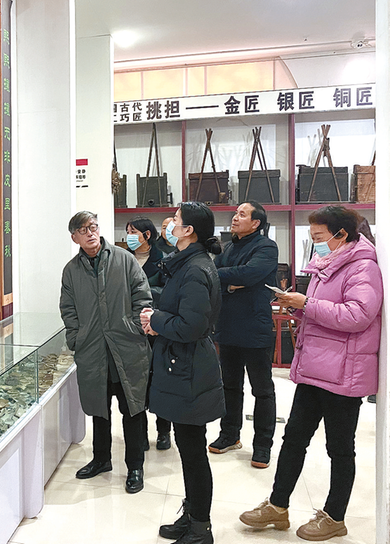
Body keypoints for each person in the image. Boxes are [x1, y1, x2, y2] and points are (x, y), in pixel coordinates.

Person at [240, 206, 382, 542]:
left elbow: (358, 315)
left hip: (344, 374)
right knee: (293, 440)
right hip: (314, 367)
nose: (315, 242)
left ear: (341, 234)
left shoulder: (363, 266)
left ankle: (335, 516)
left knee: (340, 449)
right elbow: (322, 313)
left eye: (319, 236)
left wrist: (306, 304)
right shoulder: (325, 264)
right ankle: (277, 506)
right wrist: (299, 307)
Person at [140, 202, 224, 544]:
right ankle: (192, 515)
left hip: (188, 366)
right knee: (188, 448)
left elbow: (191, 326)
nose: (170, 225)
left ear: (189, 230)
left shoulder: (195, 269)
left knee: (192, 450)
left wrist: (156, 320)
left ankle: (201, 528)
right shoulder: (187, 263)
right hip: (181, 363)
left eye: (175, 220)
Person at [60, 211, 152, 494]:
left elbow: (142, 295)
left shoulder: (124, 259)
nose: (90, 233)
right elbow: (68, 308)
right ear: (74, 237)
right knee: (99, 409)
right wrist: (76, 338)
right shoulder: (71, 270)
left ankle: (135, 466)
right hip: (92, 349)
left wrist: (134, 326)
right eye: (83, 230)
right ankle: (101, 459)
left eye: (93, 227)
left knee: (132, 408)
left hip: (126, 347)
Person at [209, 201, 278, 469]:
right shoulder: (228, 248)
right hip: (227, 326)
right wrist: (231, 284)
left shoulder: (266, 247)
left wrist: (228, 278)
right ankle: (230, 434)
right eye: (235, 213)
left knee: (262, 390)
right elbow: (214, 277)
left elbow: (250, 273)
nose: (235, 218)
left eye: (242, 214)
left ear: (256, 223)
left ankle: (262, 445)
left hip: (255, 328)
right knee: (229, 386)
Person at [125, 217, 171, 451]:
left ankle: (164, 431)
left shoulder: (163, 260)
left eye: (134, 232)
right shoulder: (123, 259)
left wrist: (141, 293)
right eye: (128, 232)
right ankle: (139, 434)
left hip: (155, 328)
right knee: (135, 384)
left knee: (159, 380)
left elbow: (168, 292)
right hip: (129, 330)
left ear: (147, 235)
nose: (129, 236)